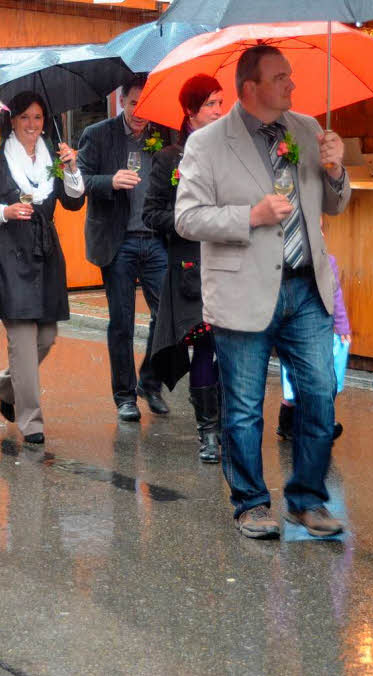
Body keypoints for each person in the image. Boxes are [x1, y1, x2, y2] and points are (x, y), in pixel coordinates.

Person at [175, 45, 351, 539]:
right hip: (243, 291)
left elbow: (335, 204)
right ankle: (251, 502)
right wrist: (248, 217)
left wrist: (337, 171)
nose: (292, 85)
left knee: (319, 395)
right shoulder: (207, 143)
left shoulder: (307, 129)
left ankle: (307, 500)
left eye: (290, 76)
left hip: (305, 288)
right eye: (280, 78)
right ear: (249, 87)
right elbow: (186, 217)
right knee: (246, 407)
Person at [0, 91, 86, 444]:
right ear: (13, 121)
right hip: (9, 255)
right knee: (22, 340)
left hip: (46, 254)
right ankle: (31, 421)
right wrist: (4, 212)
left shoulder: (53, 159)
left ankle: (7, 385)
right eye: (25, 118)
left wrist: (71, 169)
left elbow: (73, 202)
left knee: (47, 335)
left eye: (37, 118)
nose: (32, 125)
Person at [78, 74, 173, 422]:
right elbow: (79, 181)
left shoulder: (163, 135)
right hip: (118, 242)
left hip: (156, 238)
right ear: (122, 101)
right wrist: (110, 181)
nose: (138, 111)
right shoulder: (98, 134)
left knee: (168, 317)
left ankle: (150, 380)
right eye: (133, 103)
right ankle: (124, 396)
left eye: (145, 104)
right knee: (122, 322)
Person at [143, 74, 224, 463]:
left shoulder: (233, 150)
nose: (219, 111)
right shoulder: (170, 157)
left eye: (221, 102)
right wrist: (189, 219)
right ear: (191, 112)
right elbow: (152, 214)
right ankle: (208, 432)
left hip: (231, 263)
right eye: (210, 104)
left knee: (234, 350)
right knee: (206, 348)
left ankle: (231, 427)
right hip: (192, 266)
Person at [277, 251, 350, 442]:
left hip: (318, 327)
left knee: (325, 378)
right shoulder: (286, 261)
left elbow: (336, 294)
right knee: (292, 383)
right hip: (295, 330)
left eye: (321, 229)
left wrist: (342, 325)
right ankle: (286, 424)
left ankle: (321, 425)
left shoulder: (327, 261)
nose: (320, 234)